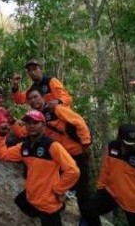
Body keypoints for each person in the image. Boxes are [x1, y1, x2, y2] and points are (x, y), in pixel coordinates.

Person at [0, 110, 80, 226]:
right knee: (20, 201)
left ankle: (59, 208)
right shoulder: (24, 147)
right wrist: (1, 136)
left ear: (43, 126)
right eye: (28, 123)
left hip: (48, 204)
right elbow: (2, 154)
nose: (31, 126)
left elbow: (73, 171)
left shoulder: (52, 146)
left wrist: (58, 189)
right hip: (31, 197)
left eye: (35, 122)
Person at [25, 87, 92, 223]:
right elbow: (26, 132)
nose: (33, 100)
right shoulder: (33, 118)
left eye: (35, 96)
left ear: (43, 97)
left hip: (75, 153)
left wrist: (85, 144)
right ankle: (57, 210)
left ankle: (88, 221)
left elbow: (79, 122)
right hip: (59, 156)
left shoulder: (55, 109)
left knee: (83, 191)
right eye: (30, 99)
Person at [85, 124, 135, 226]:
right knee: (90, 209)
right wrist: (101, 188)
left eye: (134, 143)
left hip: (134, 204)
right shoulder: (112, 147)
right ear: (120, 140)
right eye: (128, 144)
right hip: (113, 193)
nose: (132, 146)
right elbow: (105, 169)